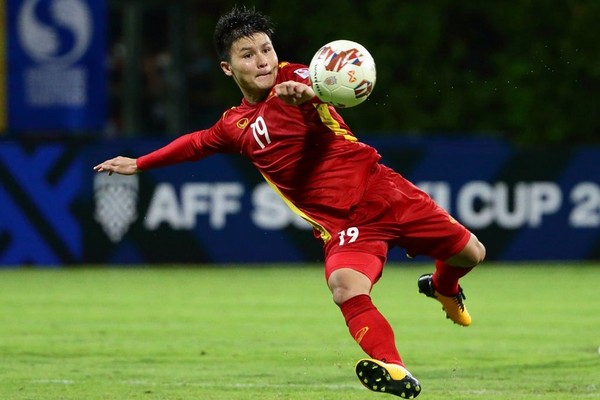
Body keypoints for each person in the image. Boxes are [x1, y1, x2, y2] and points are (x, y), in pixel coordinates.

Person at [94, 6, 486, 398]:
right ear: (228, 68)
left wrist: (307, 96)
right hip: (342, 224)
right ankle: (395, 369)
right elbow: (196, 143)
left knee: (472, 253)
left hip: (382, 191)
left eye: (267, 49)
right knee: (345, 288)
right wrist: (141, 163)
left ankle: (442, 286)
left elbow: (320, 89)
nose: (263, 60)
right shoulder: (234, 126)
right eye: (248, 55)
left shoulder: (298, 77)